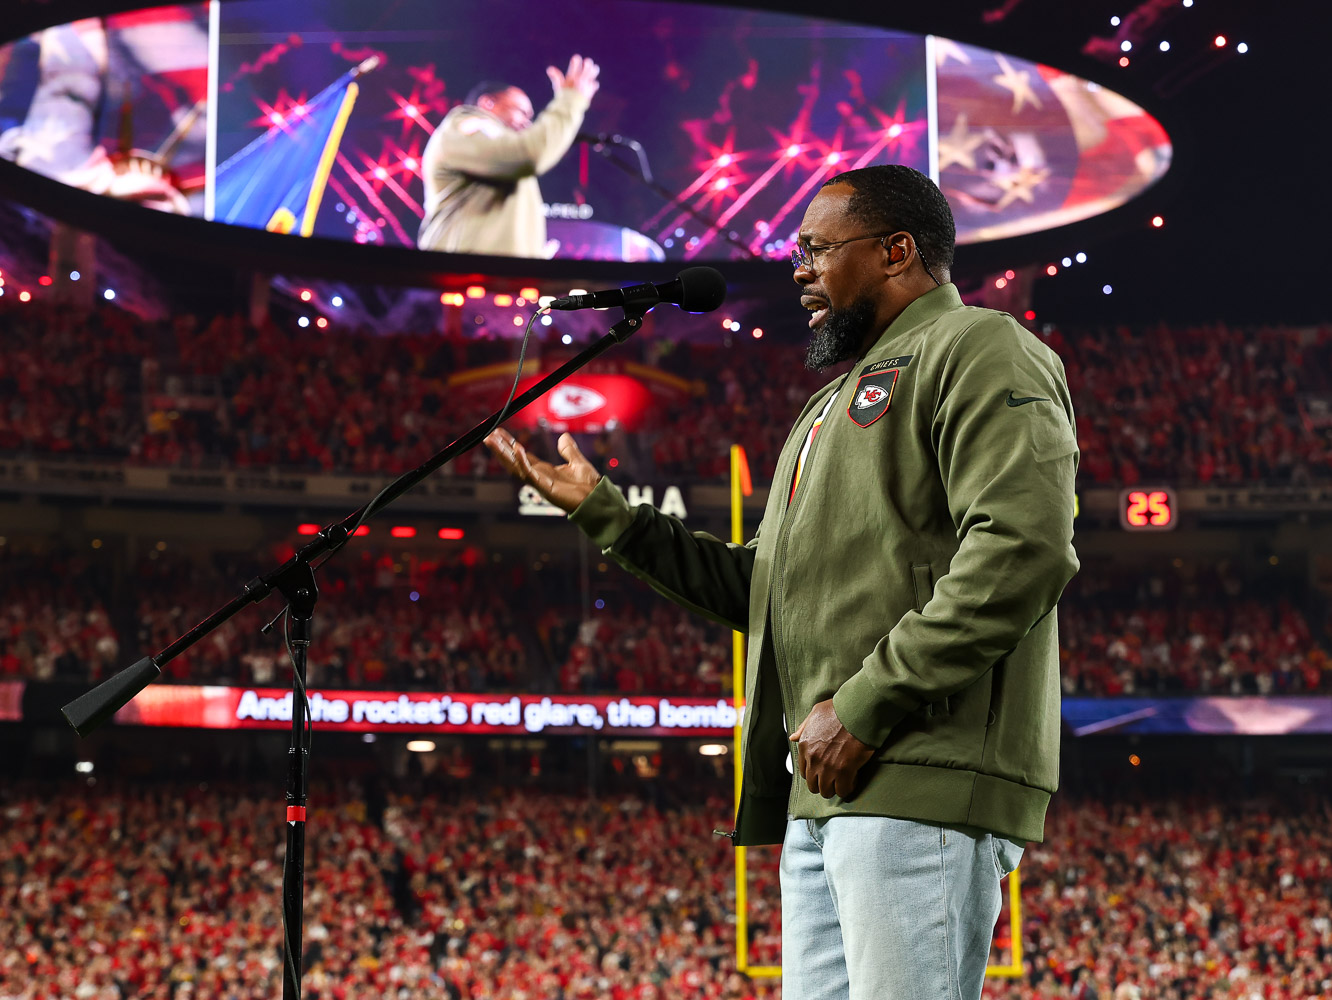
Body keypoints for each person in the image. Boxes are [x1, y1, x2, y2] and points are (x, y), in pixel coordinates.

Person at [484, 164, 1080, 1000]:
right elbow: (764, 589)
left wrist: (866, 706)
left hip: (918, 776)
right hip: (826, 787)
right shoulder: (825, 407)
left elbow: (1024, 550)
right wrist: (610, 516)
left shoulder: (980, 345)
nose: (796, 268)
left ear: (896, 250)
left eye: (815, 248)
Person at [416, 55, 599, 258]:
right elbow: (530, 153)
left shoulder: (502, 160)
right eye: (521, 112)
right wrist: (570, 100)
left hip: (497, 280)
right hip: (463, 278)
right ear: (488, 103)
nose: (527, 124)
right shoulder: (468, 125)